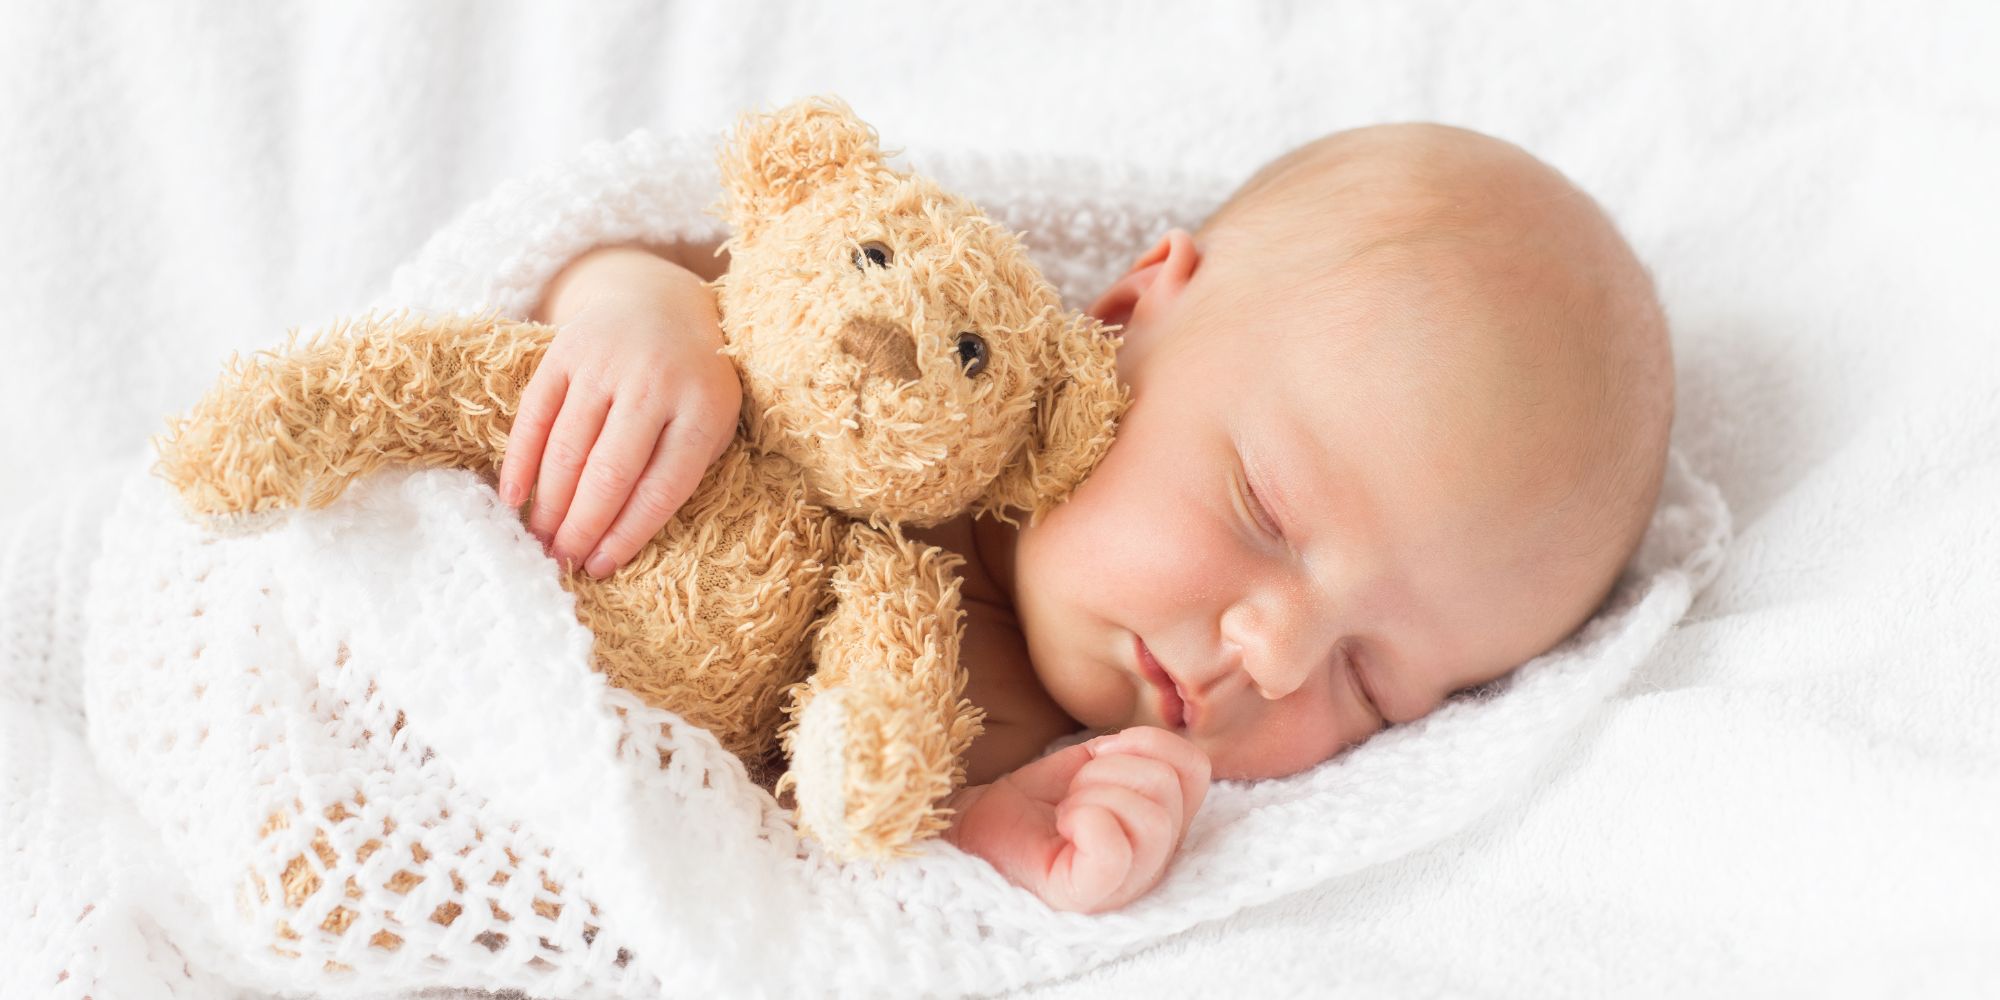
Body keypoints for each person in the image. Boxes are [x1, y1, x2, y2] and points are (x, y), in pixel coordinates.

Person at [498, 123, 1674, 913]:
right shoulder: (921, 340)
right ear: (1122, 311)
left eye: (1368, 684)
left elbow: (821, 893)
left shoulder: (1034, 751)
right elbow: (661, 245)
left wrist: (1006, 840)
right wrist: (645, 319)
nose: (1271, 656)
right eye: (1263, 509)